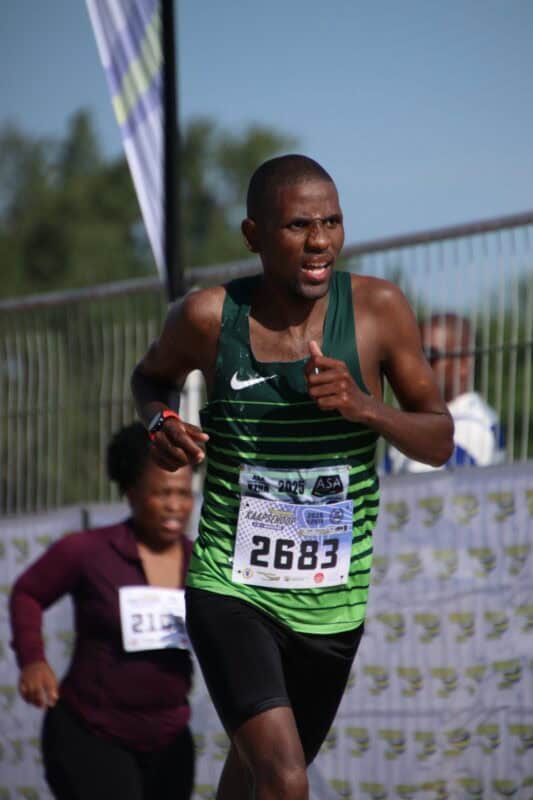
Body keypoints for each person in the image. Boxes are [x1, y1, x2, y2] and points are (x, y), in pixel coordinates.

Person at [131, 154, 454, 800]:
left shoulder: (378, 309)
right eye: (299, 225)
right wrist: (159, 421)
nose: (319, 242)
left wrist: (364, 406)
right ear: (253, 236)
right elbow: (150, 378)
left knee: (256, 775)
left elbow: (439, 438)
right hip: (231, 586)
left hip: (333, 603)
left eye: (331, 222)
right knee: (284, 777)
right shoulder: (207, 317)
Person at [9, 422, 196, 800]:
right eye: (162, 493)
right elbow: (28, 593)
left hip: (170, 738)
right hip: (91, 733)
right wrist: (33, 660)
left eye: (183, 493)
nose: (175, 505)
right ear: (131, 494)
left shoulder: (201, 563)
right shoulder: (88, 551)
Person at [385, 313, 505, 473]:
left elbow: (427, 485)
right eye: (415, 356)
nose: (419, 366)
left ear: (463, 363)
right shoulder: (420, 418)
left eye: (430, 355)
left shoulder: (473, 424)